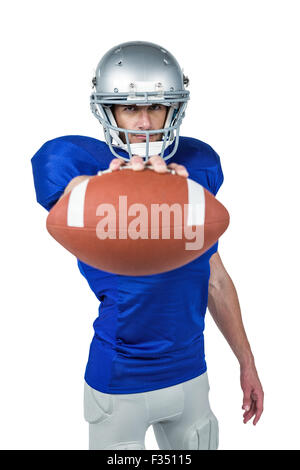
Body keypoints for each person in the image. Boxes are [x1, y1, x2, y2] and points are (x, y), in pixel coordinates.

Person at [31, 41, 264, 450]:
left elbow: (215, 279)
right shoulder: (83, 174)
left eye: (155, 107)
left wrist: (247, 361)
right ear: (109, 112)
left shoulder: (199, 169)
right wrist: (112, 186)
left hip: (191, 374)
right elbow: (69, 203)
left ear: (174, 109)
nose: (144, 123)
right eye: (129, 108)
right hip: (120, 381)